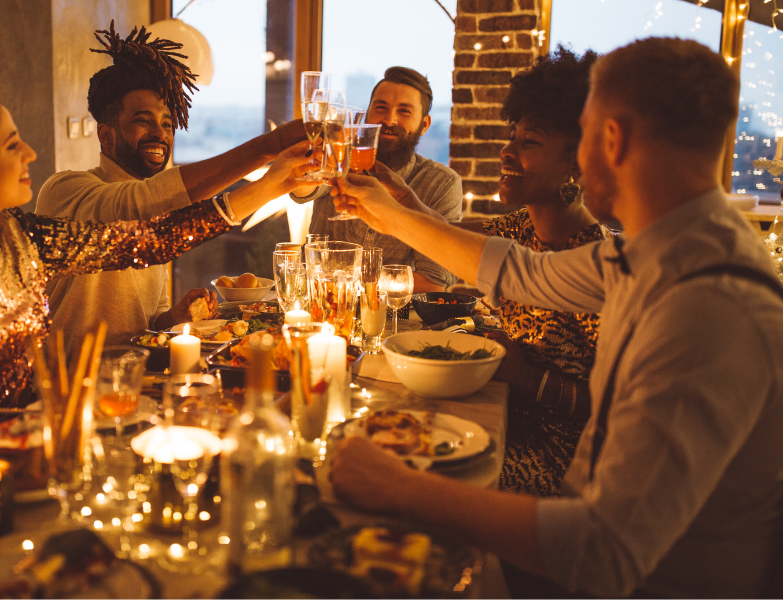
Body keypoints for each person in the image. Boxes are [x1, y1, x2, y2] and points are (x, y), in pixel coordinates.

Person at [329, 37, 783, 597]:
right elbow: (520, 271)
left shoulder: (709, 308)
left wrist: (398, 488)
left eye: (583, 133)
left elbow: (602, 554)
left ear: (610, 140)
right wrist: (393, 212)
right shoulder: (666, 247)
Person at [0, 80, 310, 505]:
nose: (29, 153)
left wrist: (273, 185)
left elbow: (152, 240)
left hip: (38, 469)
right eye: (11, 144)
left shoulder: (20, 239)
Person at [36, 24, 308, 342]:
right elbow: (135, 203)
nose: (160, 134)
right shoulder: (65, 189)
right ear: (105, 135)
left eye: (167, 124)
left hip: (136, 369)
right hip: (70, 373)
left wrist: (175, 317)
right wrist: (270, 147)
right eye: (143, 120)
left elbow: (151, 321)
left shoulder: (162, 212)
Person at [468, 47, 607, 497]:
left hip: (559, 460)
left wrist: (528, 378)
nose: (507, 152)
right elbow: (445, 232)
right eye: (512, 137)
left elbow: (611, 407)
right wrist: (393, 199)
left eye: (529, 143)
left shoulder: (595, 262)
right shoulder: (522, 227)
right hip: (504, 422)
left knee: (432, 471)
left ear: (575, 162)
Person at [290, 66, 463, 292]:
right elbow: (302, 190)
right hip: (318, 307)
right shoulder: (341, 158)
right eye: (381, 108)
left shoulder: (442, 183)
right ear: (367, 115)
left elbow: (433, 282)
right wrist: (312, 160)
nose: (389, 120)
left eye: (404, 111)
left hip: (394, 313)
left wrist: (349, 288)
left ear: (424, 125)